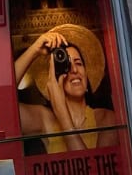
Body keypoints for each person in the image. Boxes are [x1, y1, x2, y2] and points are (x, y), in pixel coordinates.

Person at [15, 26, 118, 155]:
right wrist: (34, 50)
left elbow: (91, 169)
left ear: (86, 74)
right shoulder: (45, 118)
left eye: (78, 63)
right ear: (56, 76)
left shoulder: (106, 118)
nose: (74, 70)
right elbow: (0, 105)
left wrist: (62, 112)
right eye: (66, 65)